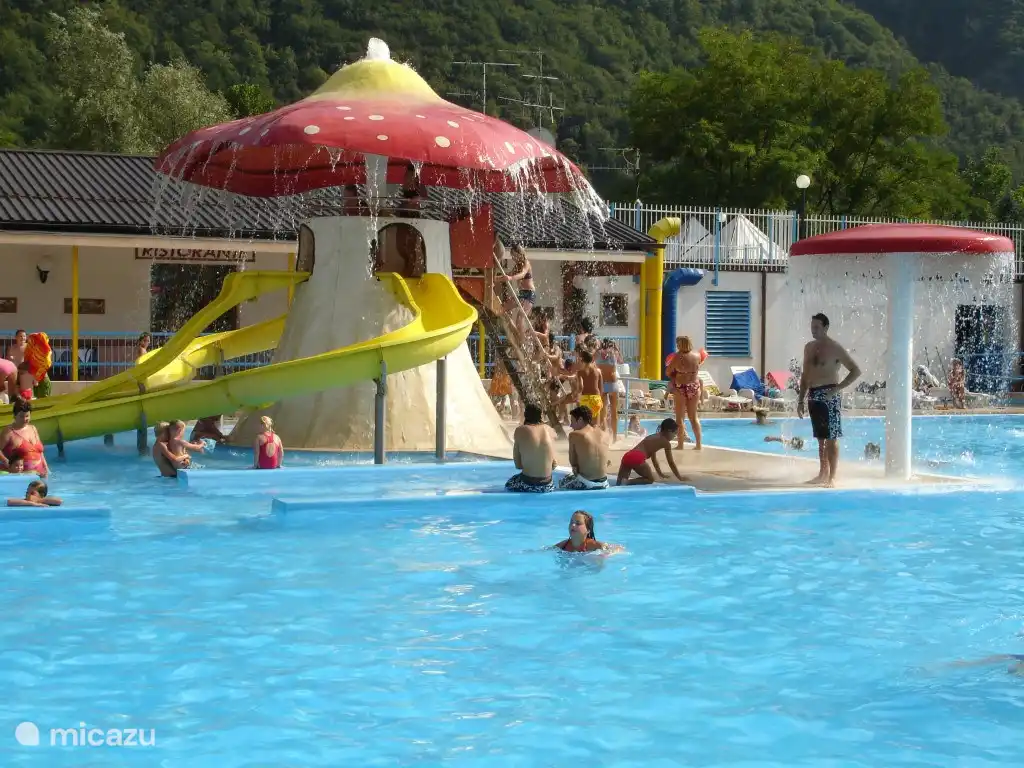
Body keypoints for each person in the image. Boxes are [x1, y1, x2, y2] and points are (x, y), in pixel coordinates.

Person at [797, 313, 862, 488]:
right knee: (820, 438)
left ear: (826, 328)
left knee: (832, 437)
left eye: (817, 327)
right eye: (812, 327)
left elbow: (855, 370)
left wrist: (837, 389)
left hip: (829, 395)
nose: (813, 330)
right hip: (813, 393)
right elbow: (805, 375)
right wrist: (800, 400)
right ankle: (822, 473)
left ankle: (832, 477)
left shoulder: (835, 348)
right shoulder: (808, 348)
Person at [616, 418, 686, 486]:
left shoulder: (653, 436)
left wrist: (660, 474)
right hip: (637, 457)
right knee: (649, 479)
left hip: (628, 456)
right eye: (675, 434)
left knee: (619, 484)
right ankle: (628, 482)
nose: (675, 436)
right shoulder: (666, 443)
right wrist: (680, 477)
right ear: (669, 431)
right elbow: (671, 462)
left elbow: (654, 460)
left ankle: (624, 482)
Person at [505, 402, 557, 493]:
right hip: (548, 485)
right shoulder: (550, 430)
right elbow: (554, 465)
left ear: (525, 415)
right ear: (541, 416)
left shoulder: (520, 430)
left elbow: (518, 465)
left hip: (528, 484)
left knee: (509, 484)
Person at [559, 405, 609, 490]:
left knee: (561, 483)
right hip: (605, 483)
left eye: (572, 421)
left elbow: (573, 464)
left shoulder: (574, 435)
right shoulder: (604, 434)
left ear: (580, 419)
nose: (571, 425)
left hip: (587, 484)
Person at [665, 335, 702, 449]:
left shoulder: (678, 357)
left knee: (680, 418)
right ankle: (698, 445)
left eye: (678, 344)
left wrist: (675, 374)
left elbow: (668, 371)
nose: (677, 346)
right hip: (695, 387)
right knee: (693, 417)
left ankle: (680, 444)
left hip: (681, 387)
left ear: (681, 344)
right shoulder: (697, 355)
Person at [0, 400, 48, 476]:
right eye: (21, 416)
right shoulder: (9, 432)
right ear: (14, 416)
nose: (25, 419)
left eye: (27, 416)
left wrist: (46, 468)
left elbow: (40, 452)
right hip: (22, 477)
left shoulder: (33, 428)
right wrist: (6, 461)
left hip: (40, 474)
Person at [495, 243, 536, 319]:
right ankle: (510, 326)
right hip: (521, 294)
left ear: (520, 253)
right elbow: (507, 275)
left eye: (514, 255)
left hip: (529, 294)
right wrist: (495, 279)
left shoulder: (526, 263)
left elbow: (522, 274)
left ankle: (522, 330)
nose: (513, 258)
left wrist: (510, 278)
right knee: (503, 308)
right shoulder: (517, 266)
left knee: (520, 317)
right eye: (512, 255)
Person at [551, 510, 623, 553]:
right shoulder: (563, 546)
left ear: (588, 530)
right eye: (571, 522)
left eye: (578, 523)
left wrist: (605, 554)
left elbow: (619, 548)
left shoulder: (594, 546)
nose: (573, 525)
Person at [596, 339, 625, 441]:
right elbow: (621, 361)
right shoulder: (613, 353)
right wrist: (616, 348)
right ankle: (613, 437)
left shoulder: (598, 354)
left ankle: (606, 436)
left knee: (605, 412)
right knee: (612, 412)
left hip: (604, 384)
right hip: (611, 383)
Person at [575, 349, 604, 426]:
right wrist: (599, 399)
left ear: (582, 360)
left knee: (585, 426)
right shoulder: (598, 371)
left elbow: (580, 387)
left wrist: (577, 397)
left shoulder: (579, 372)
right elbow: (601, 388)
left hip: (585, 399)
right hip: (595, 399)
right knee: (595, 425)